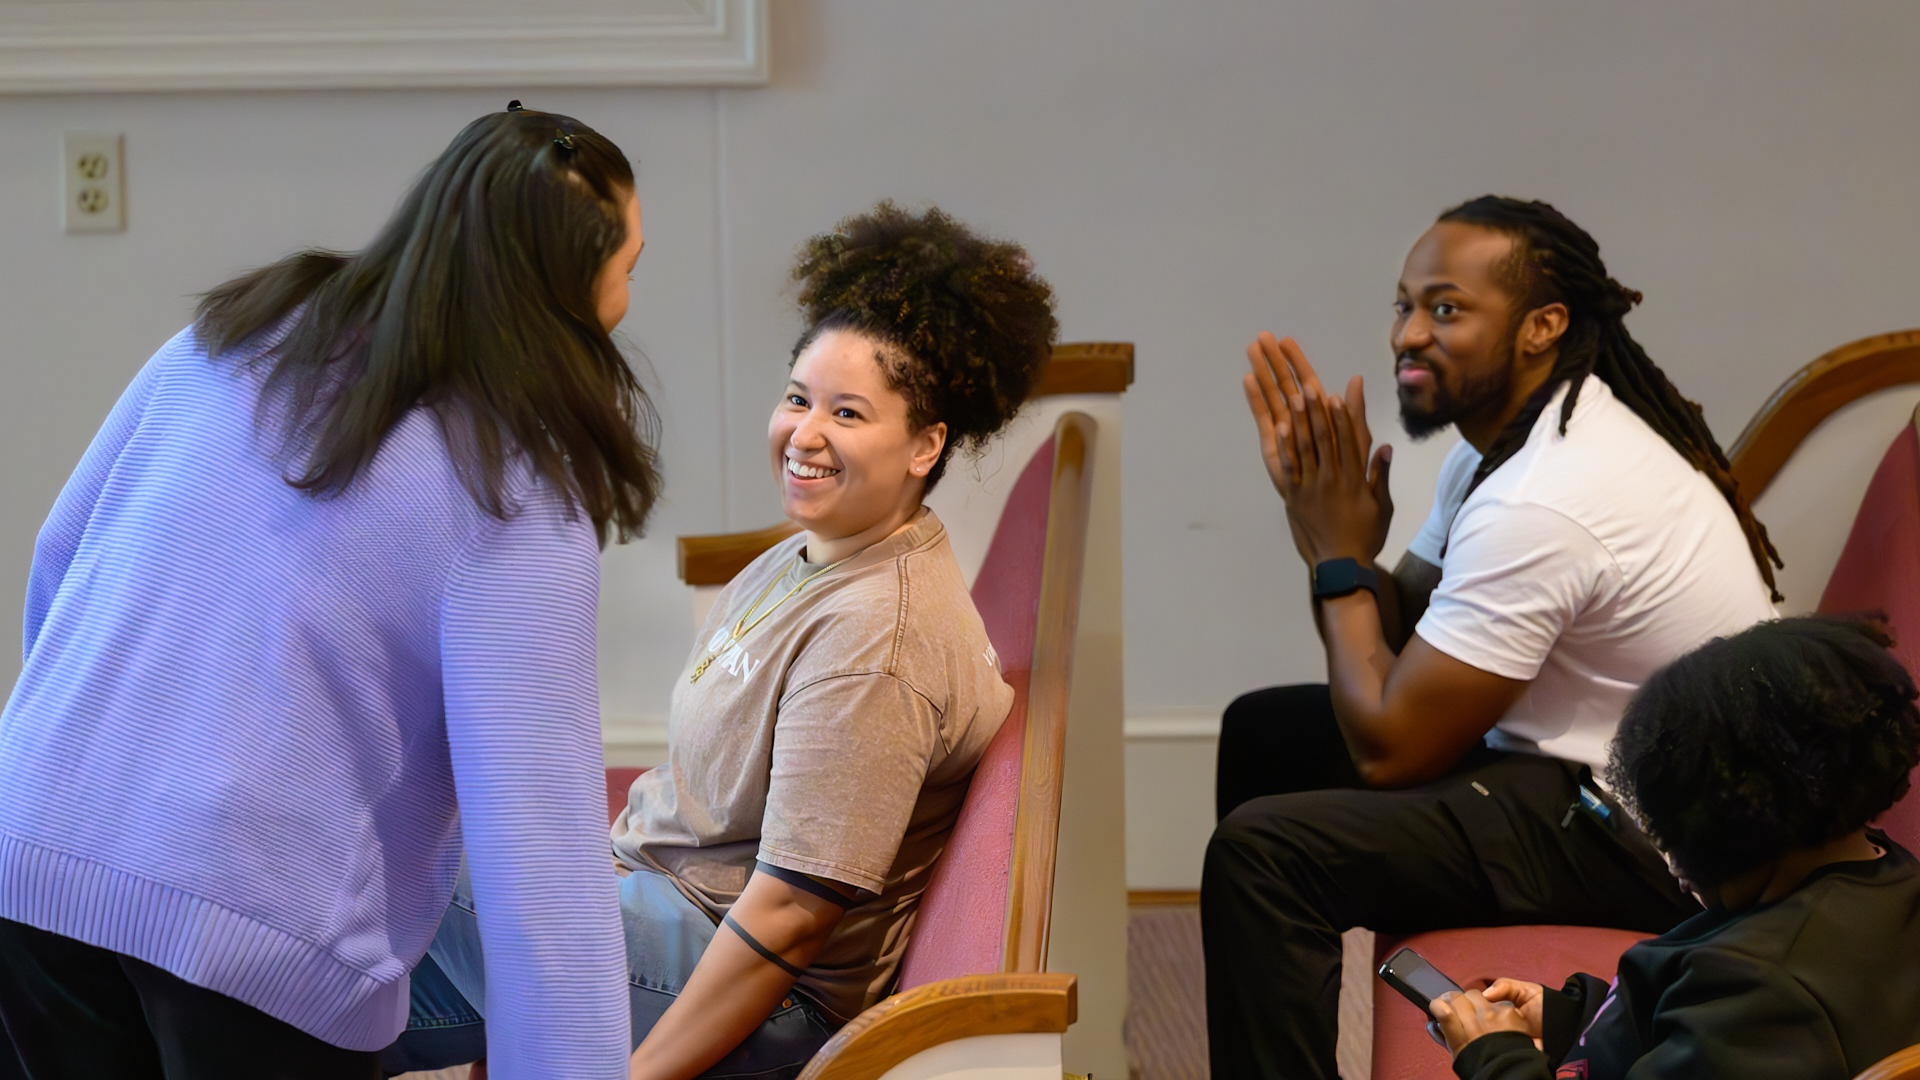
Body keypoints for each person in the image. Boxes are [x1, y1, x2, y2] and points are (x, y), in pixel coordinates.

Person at [0, 103, 658, 1079]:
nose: (630, 298)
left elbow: (60, 557)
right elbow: (540, 859)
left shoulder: (229, 337)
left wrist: (97, 792)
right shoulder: (513, 479)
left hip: (31, 852)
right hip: (253, 927)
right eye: (630, 266)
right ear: (566, 286)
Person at [388, 201, 1058, 1080]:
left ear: (925, 444)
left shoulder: (877, 643)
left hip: (741, 982)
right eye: (797, 398)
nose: (805, 434)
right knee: (382, 896)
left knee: (393, 862)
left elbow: (790, 918)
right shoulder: (811, 555)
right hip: (663, 904)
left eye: (849, 413)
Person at [1202, 196, 1783, 1079]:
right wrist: (1335, 537)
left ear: (1543, 326)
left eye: (1446, 309)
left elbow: (1391, 749)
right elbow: (1406, 631)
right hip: (1588, 771)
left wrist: (1335, 557)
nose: (1408, 335)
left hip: (1665, 846)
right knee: (1264, 733)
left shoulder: (1545, 497)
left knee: (1264, 857)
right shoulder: (1504, 447)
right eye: (1404, 305)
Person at [1431, 615, 1920, 1080]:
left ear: (1741, 825)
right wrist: (1572, 1019)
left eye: (1678, 840)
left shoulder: (1762, 992)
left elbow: (1731, 1028)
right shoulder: (1887, 875)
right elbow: (1696, 1037)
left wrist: (1496, 1057)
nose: (1675, 870)